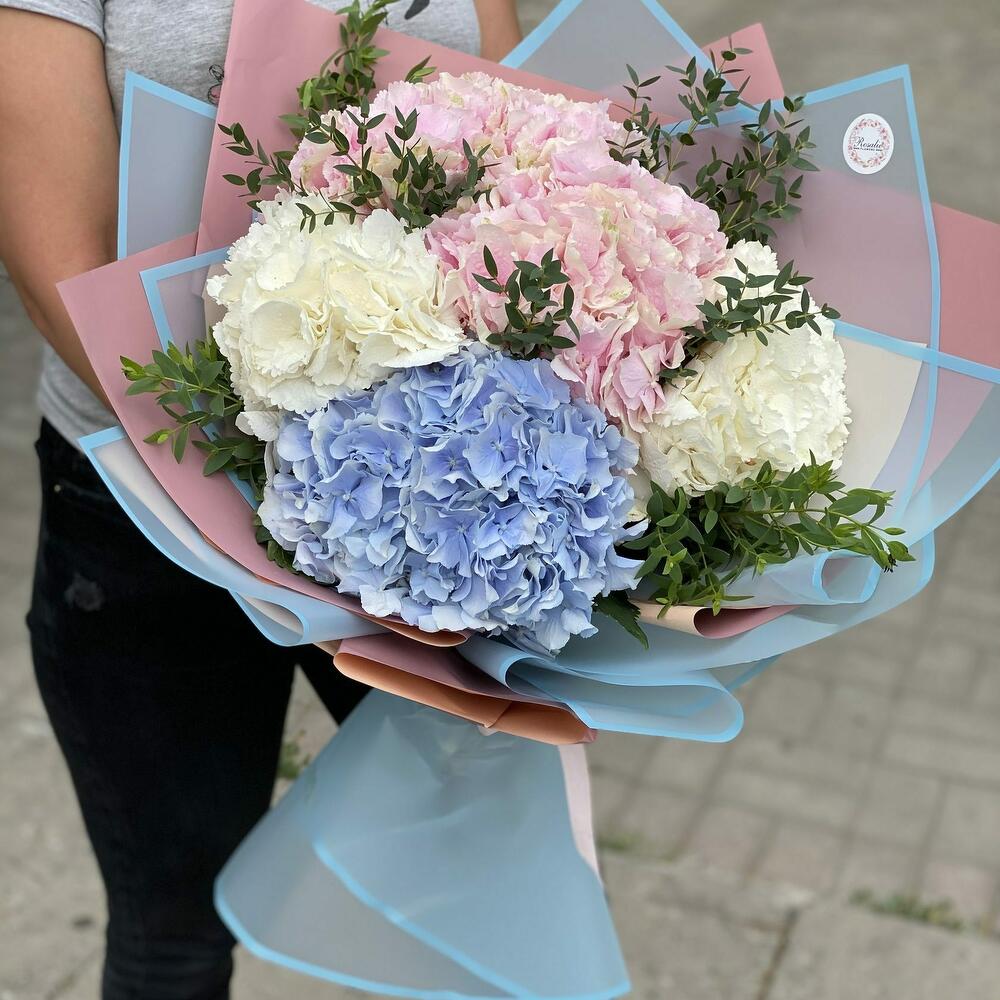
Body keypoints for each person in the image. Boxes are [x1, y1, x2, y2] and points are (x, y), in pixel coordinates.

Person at [0, 2, 522, 998]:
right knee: (174, 933)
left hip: (436, 503)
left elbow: (525, 137)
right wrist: (309, 468)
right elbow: (59, 262)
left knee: (483, 908)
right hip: (153, 504)